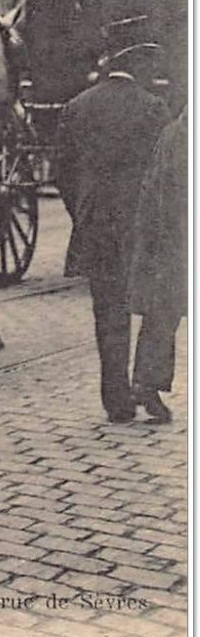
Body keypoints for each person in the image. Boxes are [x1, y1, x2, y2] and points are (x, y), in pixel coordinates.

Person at [55, 43, 172, 423]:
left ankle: (116, 399)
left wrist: (83, 214)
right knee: (157, 304)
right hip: (142, 225)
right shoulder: (153, 107)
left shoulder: (76, 106)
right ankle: (147, 383)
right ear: (138, 66)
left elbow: (63, 174)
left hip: (96, 226)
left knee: (108, 312)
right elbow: (163, 172)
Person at [129, 105, 187, 419]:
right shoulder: (182, 134)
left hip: (170, 241)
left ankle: (146, 384)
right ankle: (146, 385)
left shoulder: (174, 131)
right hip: (176, 241)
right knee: (163, 313)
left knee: (161, 315)